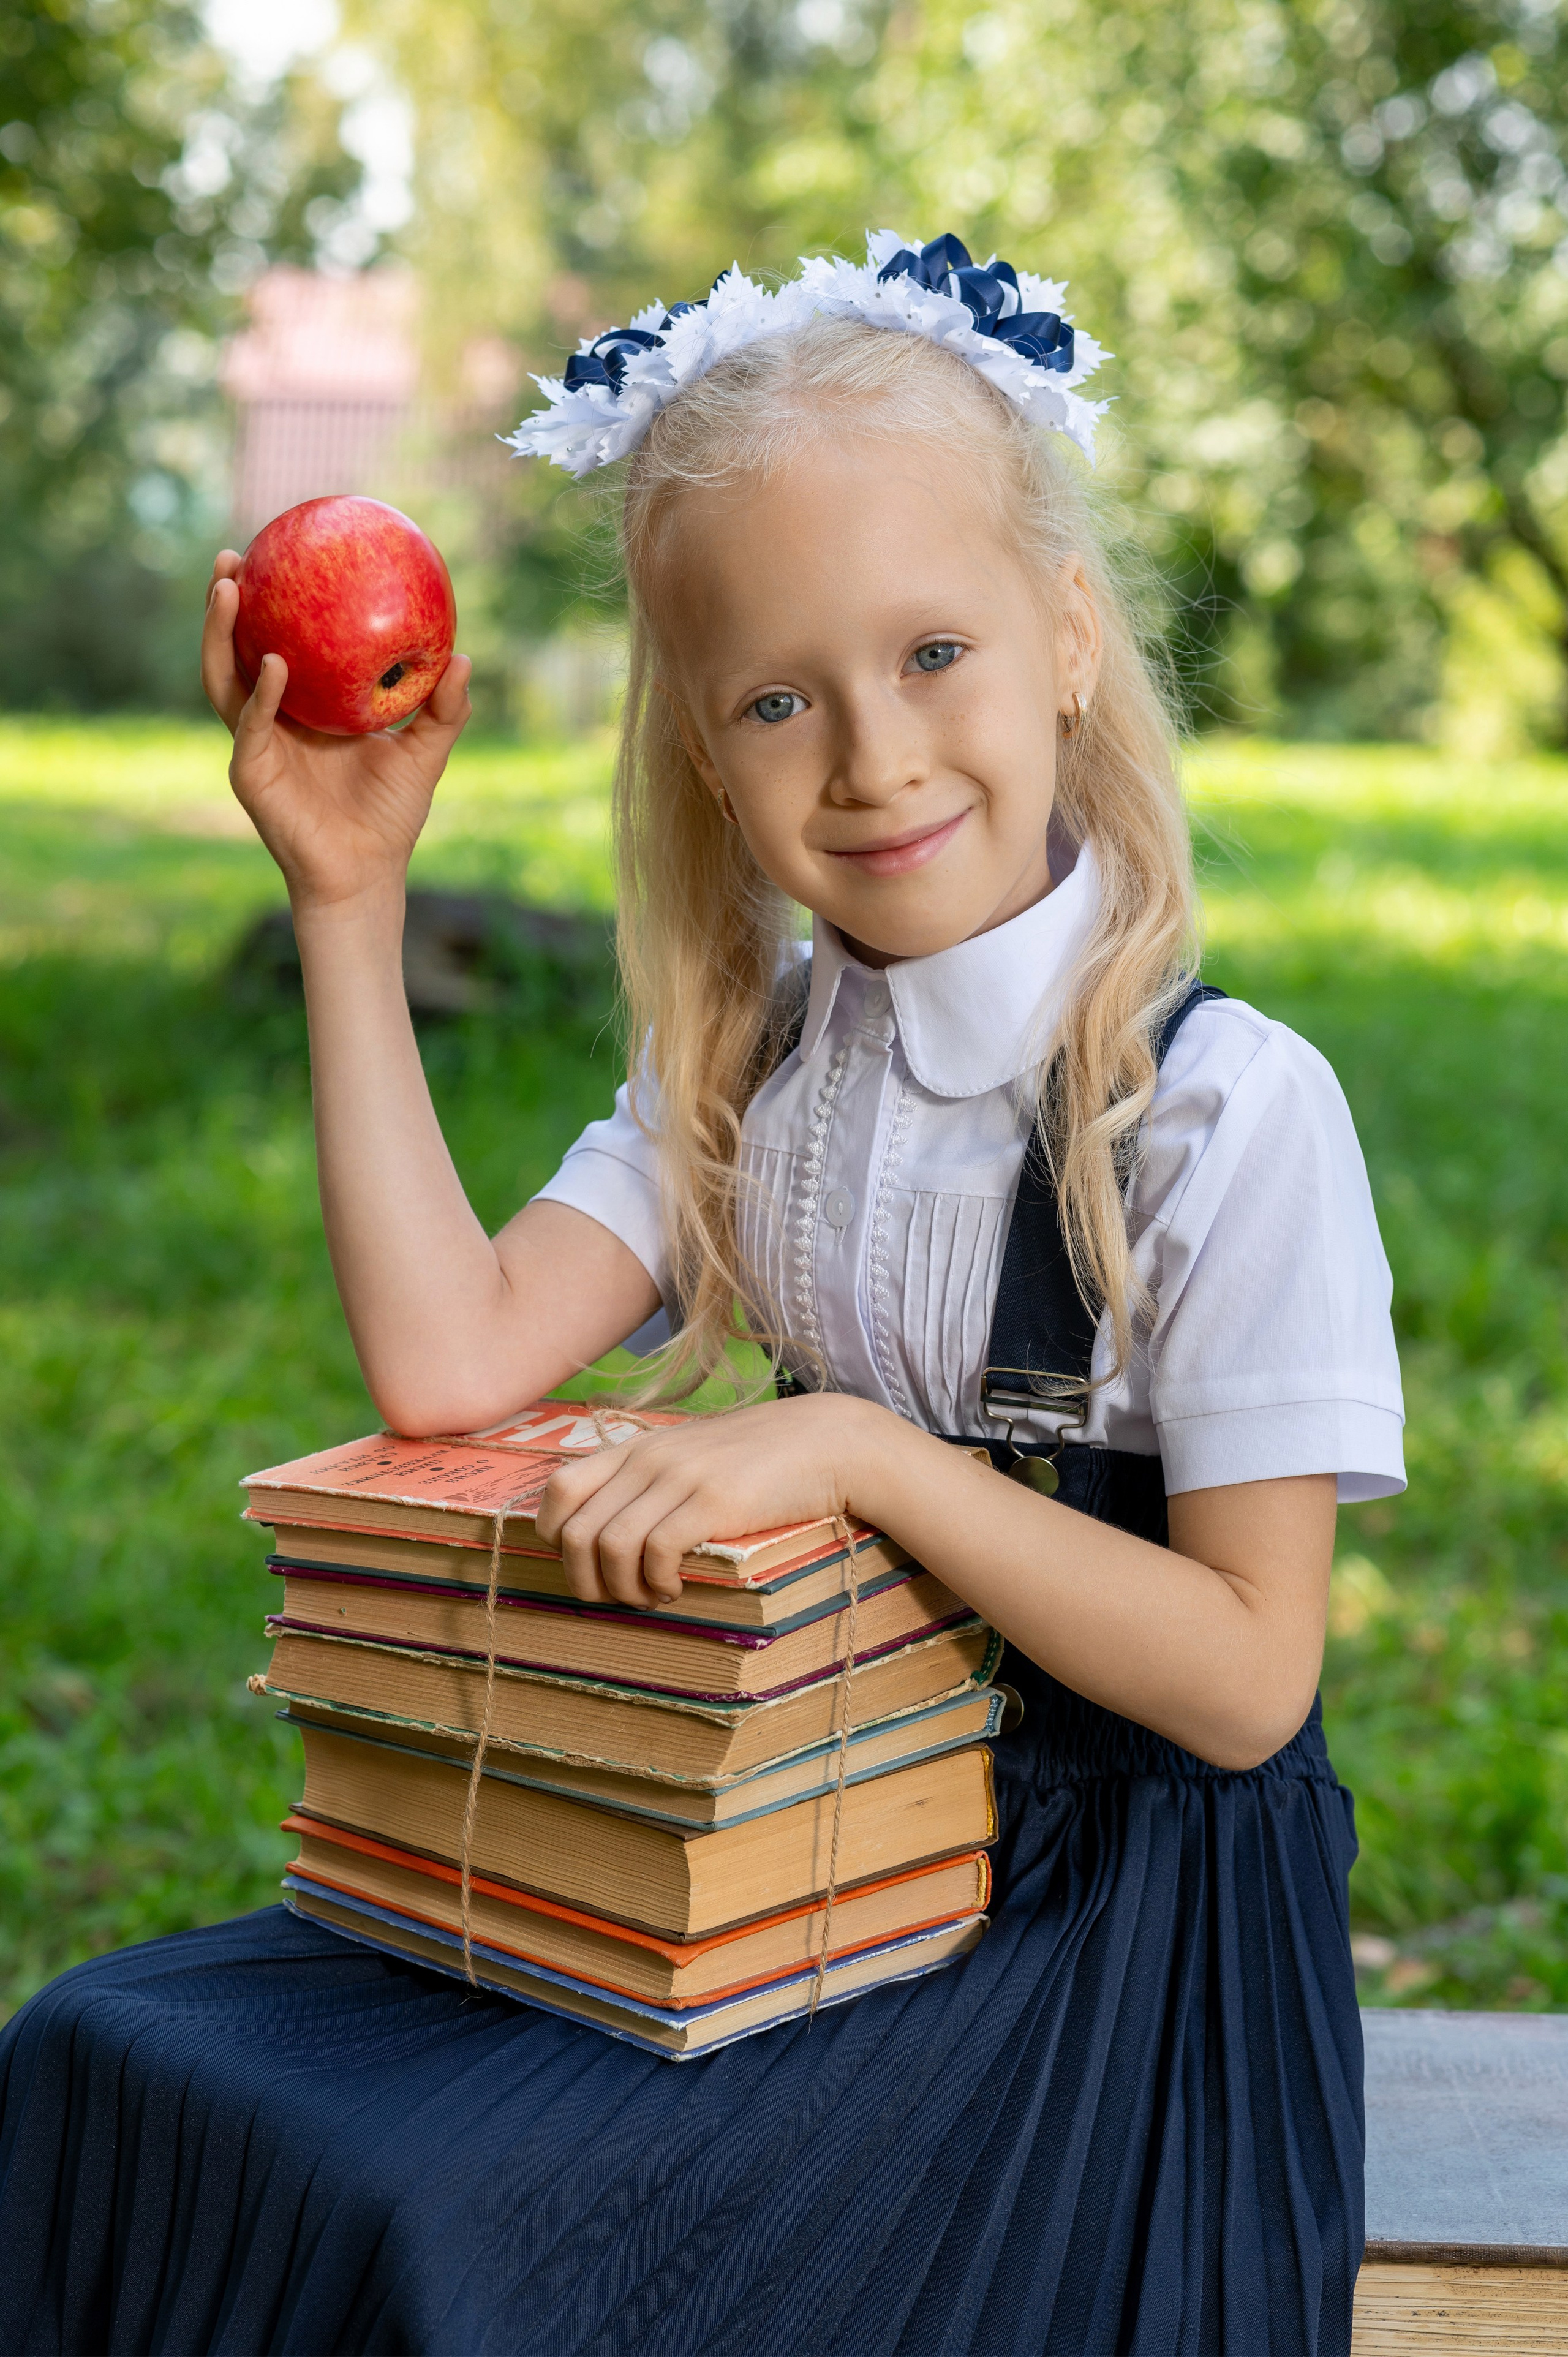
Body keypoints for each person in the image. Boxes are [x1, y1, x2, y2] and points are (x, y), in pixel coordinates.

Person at [0, 235, 1403, 2356]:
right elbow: (449, 1356)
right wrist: (348, 902)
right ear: (703, 755)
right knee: (114, 2048)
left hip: (1103, 1959)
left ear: (1073, 639)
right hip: (791, 1840)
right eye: (777, 697)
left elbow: (1244, 1683)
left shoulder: (1213, 1112)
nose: (871, 752)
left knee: (430, 2213)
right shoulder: (760, 1060)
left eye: (934, 649)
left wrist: (844, 1448)